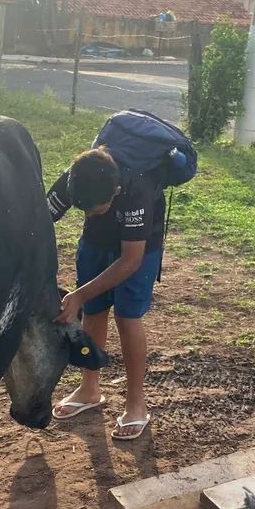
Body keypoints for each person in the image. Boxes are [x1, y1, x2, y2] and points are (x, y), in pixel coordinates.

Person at [46, 145, 165, 440]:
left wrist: (79, 295)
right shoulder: (76, 177)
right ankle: (89, 389)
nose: (89, 213)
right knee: (94, 311)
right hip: (95, 243)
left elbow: (130, 261)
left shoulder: (136, 189)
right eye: (83, 209)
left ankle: (136, 404)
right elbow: (39, 220)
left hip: (138, 250)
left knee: (127, 318)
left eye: (95, 209)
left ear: (116, 191)